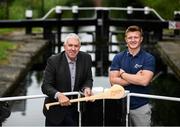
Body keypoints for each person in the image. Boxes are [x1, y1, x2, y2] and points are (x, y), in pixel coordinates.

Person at [41, 33, 93, 126]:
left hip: (76, 111)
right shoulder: (53, 61)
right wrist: (58, 95)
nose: (73, 49)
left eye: (76, 46)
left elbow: (88, 79)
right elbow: (46, 86)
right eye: (70, 45)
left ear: (79, 47)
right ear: (64, 46)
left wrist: (87, 88)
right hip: (55, 112)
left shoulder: (86, 58)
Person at [109, 25, 155, 126]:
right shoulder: (118, 57)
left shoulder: (148, 58)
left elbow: (144, 81)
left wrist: (122, 74)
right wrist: (136, 78)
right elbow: (113, 81)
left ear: (141, 39)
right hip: (120, 106)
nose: (133, 40)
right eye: (130, 37)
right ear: (126, 39)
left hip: (140, 107)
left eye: (136, 37)